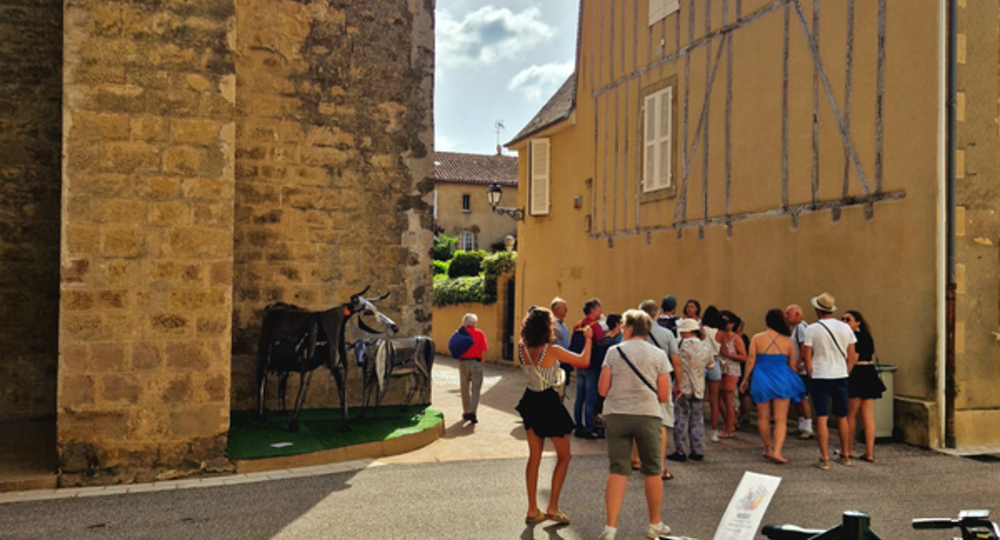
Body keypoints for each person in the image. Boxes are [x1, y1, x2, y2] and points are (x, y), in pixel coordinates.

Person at [598, 310, 674, 540]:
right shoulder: (659, 355)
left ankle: (610, 528)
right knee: (652, 471)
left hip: (617, 415)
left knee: (618, 472)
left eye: (623, 327)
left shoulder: (613, 351)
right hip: (648, 416)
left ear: (629, 329)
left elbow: (602, 389)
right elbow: (663, 395)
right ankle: (655, 523)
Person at [516, 308, 593, 525]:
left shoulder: (522, 348)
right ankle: (552, 507)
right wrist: (588, 339)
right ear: (547, 327)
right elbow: (583, 360)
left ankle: (532, 509)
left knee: (534, 457)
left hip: (530, 400)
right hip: (549, 402)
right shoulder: (552, 351)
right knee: (564, 456)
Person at [740, 309, 808, 464]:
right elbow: (792, 365)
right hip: (782, 378)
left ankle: (768, 448)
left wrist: (745, 379)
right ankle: (778, 451)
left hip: (762, 377)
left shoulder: (757, 338)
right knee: (780, 419)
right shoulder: (788, 341)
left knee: (763, 417)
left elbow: (750, 360)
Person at [802, 292, 857, 470]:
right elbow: (852, 354)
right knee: (842, 416)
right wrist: (846, 371)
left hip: (820, 375)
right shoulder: (845, 328)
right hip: (840, 375)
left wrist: (810, 373)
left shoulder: (811, 329)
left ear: (818, 309)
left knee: (822, 418)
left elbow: (807, 356)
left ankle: (824, 457)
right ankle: (845, 454)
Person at [637, 300, 682, 480]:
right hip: (661, 379)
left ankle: (636, 459)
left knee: (639, 420)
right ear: (657, 315)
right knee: (662, 422)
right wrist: (679, 382)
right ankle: (660, 466)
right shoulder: (666, 334)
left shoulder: (634, 334)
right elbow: (676, 361)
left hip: (639, 380)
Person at [666, 318, 715, 463]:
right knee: (697, 419)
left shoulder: (678, 344)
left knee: (680, 418)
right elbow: (711, 365)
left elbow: (672, 362)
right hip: (699, 387)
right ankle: (698, 450)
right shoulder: (706, 346)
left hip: (682, 386)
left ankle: (680, 451)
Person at [843, 310, 885, 463]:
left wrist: (846, 373)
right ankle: (869, 451)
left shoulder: (853, 338)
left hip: (857, 373)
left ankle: (847, 449)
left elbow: (853, 358)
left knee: (851, 414)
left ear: (857, 322)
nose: (845, 321)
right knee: (868, 416)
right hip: (869, 373)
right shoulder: (868, 337)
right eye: (843, 319)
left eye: (848, 319)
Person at [786, 304, 815, 440]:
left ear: (797, 315)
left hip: (801, 369)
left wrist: (798, 361)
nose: (786, 317)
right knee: (797, 397)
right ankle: (801, 424)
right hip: (796, 368)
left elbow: (804, 345)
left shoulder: (802, 327)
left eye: (789, 314)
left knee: (803, 397)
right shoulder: (796, 328)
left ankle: (808, 426)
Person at [592, 315, 623, 439]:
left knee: (600, 399)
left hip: (602, 371)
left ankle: (599, 426)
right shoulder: (619, 339)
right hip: (615, 374)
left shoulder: (603, 339)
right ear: (616, 324)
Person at [717, 310, 747, 437]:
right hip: (720, 368)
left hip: (731, 370)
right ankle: (730, 422)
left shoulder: (736, 338)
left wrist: (730, 355)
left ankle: (729, 429)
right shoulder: (719, 335)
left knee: (728, 399)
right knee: (719, 399)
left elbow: (744, 357)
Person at [567, 299, 604, 400]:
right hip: (591, 363)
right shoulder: (595, 326)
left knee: (579, 396)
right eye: (599, 310)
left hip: (579, 361)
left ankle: (577, 416)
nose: (600, 313)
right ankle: (588, 416)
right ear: (592, 311)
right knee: (590, 397)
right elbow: (600, 342)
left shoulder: (577, 325)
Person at [457, 313, 487, 424]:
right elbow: (484, 349)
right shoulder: (480, 334)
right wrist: (482, 362)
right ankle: (473, 412)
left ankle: (466, 411)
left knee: (464, 388)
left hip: (463, 362)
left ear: (464, 322)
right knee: (476, 388)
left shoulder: (460, 334)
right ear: (475, 323)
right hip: (476, 362)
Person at [701, 305, 725, 442]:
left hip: (703, 363)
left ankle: (699, 427)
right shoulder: (720, 333)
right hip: (715, 363)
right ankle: (714, 431)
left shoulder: (702, 330)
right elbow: (722, 350)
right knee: (714, 400)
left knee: (701, 399)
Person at [735, 320, 753, 427]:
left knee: (744, 393)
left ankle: (745, 415)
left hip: (742, 367)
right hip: (740, 367)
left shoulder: (743, 338)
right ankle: (741, 414)